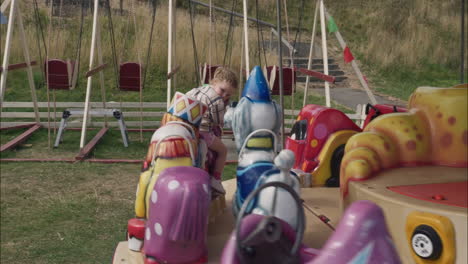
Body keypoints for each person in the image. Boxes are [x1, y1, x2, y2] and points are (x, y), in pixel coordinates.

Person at [186, 67, 238, 194]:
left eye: (228, 94)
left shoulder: (197, 90)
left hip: (189, 127)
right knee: (223, 151)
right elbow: (218, 121)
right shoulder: (217, 101)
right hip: (203, 132)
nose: (224, 95)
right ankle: (216, 179)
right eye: (222, 90)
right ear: (214, 82)